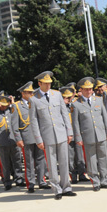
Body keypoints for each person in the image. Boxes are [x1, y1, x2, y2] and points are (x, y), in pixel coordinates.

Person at [29, 71, 76, 200]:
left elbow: (64, 114)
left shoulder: (57, 94)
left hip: (61, 133)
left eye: (50, 83)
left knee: (64, 162)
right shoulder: (34, 99)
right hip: (47, 136)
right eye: (45, 83)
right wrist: (38, 139)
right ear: (39, 83)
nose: (48, 86)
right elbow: (33, 121)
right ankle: (56, 189)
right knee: (51, 164)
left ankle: (66, 187)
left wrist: (69, 131)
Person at [71, 77, 107, 190]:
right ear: (81, 90)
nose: (89, 91)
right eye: (86, 89)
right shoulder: (76, 104)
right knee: (91, 160)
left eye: (90, 89)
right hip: (87, 136)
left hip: (101, 134)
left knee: (103, 158)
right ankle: (95, 182)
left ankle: (105, 180)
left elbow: (105, 117)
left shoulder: (98, 100)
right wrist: (78, 137)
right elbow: (75, 123)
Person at [11, 82, 50, 193]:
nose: (31, 94)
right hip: (26, 138)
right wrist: (18, 138)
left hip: (39, 137)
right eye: (29, 93)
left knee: (41, 160)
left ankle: (42, 181)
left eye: (32, 92)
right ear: (23, 94)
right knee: (29, 162)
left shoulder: (37, 103)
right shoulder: (17, 106)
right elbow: (14, 125)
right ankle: (31, 183)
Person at [0, 92, 24, 190]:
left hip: (13, 139)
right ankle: (7, 181)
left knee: (17, 161)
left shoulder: (11, 110)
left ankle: (19, 178)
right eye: (2, 106)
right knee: (5, 163)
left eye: (6, 105)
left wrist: (13, 103)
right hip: (1, 141)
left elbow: (18, 113)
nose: (4, 107)